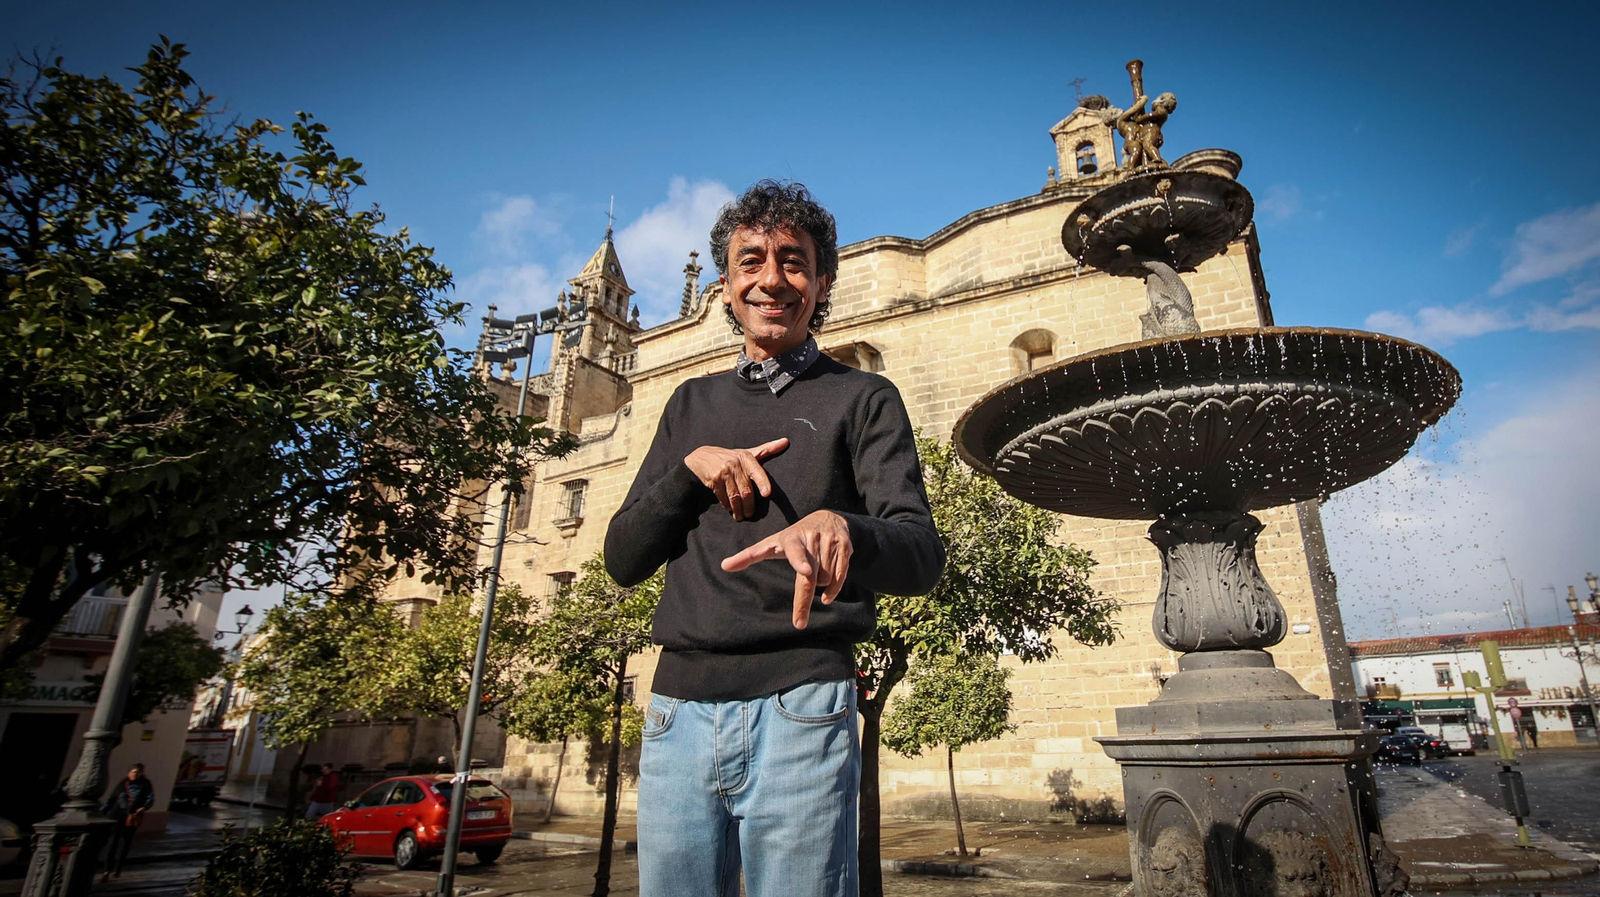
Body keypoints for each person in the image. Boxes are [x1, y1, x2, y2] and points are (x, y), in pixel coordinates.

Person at [605, 180, 945, 897]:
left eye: (794, 261)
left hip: (803, 708)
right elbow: (622, 558)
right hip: (676, 714)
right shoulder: (689, 404)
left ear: (821, 284)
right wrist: (689, 472)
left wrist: (842, 526)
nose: (771, 277)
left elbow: (921, 554)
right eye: (751, 259)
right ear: (725, 287)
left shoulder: (863, 398)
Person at [100, 763, 153, 881]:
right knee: (113, 842)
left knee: (126, 843)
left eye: (138, 772)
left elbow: (150, 798)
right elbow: (111, 800)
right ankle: (107, 870)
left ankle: (118, 869)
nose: (135, 774)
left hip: (133, 817)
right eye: (133, 772)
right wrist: (101, 813)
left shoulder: (145, 784)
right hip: (117, 815)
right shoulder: (122, 785)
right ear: (129, 772)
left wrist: (144, 807)